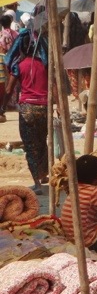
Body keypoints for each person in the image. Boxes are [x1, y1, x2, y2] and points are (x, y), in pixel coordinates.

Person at [5, 30, 49, 192]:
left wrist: (3, 107)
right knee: (42, 141)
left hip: (27, 109)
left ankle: (37, 183)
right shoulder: (44, 65)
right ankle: (43, 174)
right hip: (44, 108)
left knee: (30, 146)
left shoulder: (19, 66)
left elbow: (9, 89)